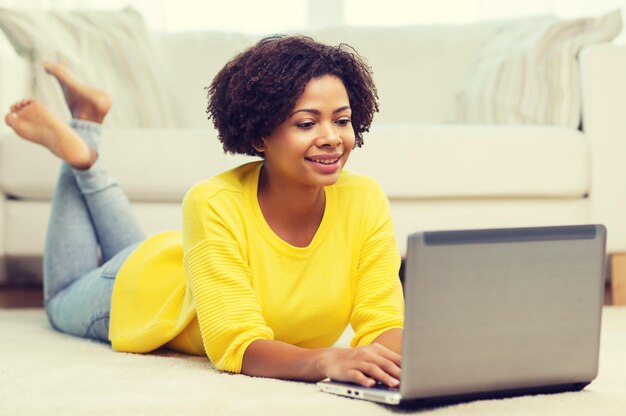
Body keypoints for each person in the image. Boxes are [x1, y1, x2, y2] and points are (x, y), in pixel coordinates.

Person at [5, 35, 404, 388]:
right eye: (306, 123)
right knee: (58, 302)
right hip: (139, 291)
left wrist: (397, 368)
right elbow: (235, 344)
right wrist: (324, 359)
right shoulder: (212, 201)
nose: (332, 138)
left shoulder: (365, 198)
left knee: (133, 251)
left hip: (180, 265)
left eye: (342, 120)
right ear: (260, 134)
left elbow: (383, 320)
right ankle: (81, 150)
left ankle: (87, 123)